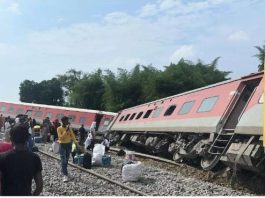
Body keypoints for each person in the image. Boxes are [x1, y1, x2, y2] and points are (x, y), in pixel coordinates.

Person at [0, 124, 43, 196]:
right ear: (27, 138)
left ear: (11, 138)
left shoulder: (2, 157)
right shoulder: (35, 158)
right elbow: (39, 186)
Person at [57, 116, 79, 182]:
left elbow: (73, 136)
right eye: (66, 121)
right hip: (62, 145)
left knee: (66, 160)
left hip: (68, 145)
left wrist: (76, 144)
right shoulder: (59, 128)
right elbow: (60, 138)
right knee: (63, 160)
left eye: (68, 120)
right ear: (63, 121)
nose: (68, 122)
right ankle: (65, 175)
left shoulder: (69, 128)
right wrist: (66, 131)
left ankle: (63, 170)